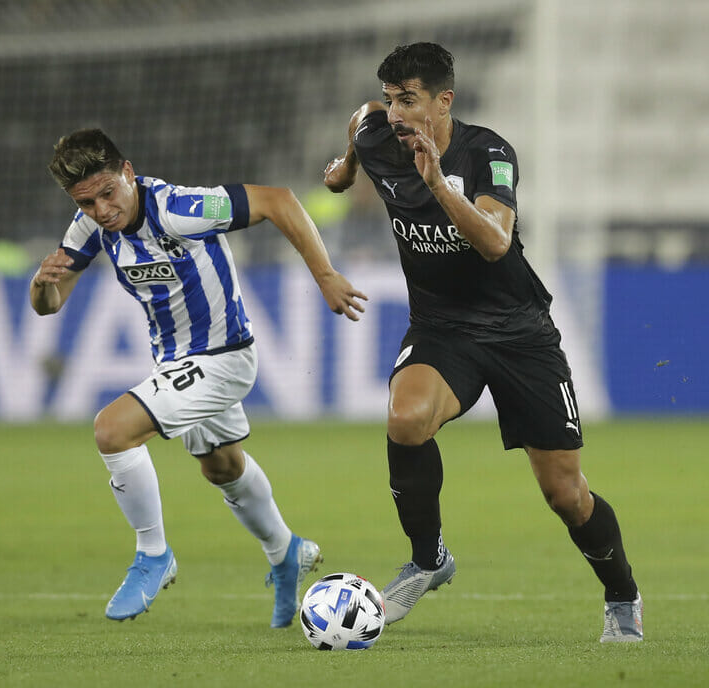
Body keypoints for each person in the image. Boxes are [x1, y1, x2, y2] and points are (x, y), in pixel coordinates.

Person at [324, 42, 642, 642]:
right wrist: (344, 168)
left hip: (519, 331)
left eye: (409, 100)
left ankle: (621, 594)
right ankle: (426, 560)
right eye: (391, 99)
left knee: (565, 494)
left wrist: (439, 185)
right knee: (406, 417)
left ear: (445, 101)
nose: (395, 113)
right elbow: (359, 118)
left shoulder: (489, 153)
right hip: (443, 328)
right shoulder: (376, 131)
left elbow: (496, 243)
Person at [33, 128, 366, 626]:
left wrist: (324, 275)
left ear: (127, 172)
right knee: (223, 468)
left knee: (112, 429)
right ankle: (286, 550)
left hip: (225, 358)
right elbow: (50, 306)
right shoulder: (89, 229)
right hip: (176, 364)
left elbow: (279, 200)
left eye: (107, 193)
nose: (102, 210)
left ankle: (153, 554)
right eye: (86, 202)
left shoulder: (177, 208)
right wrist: (43, 285)